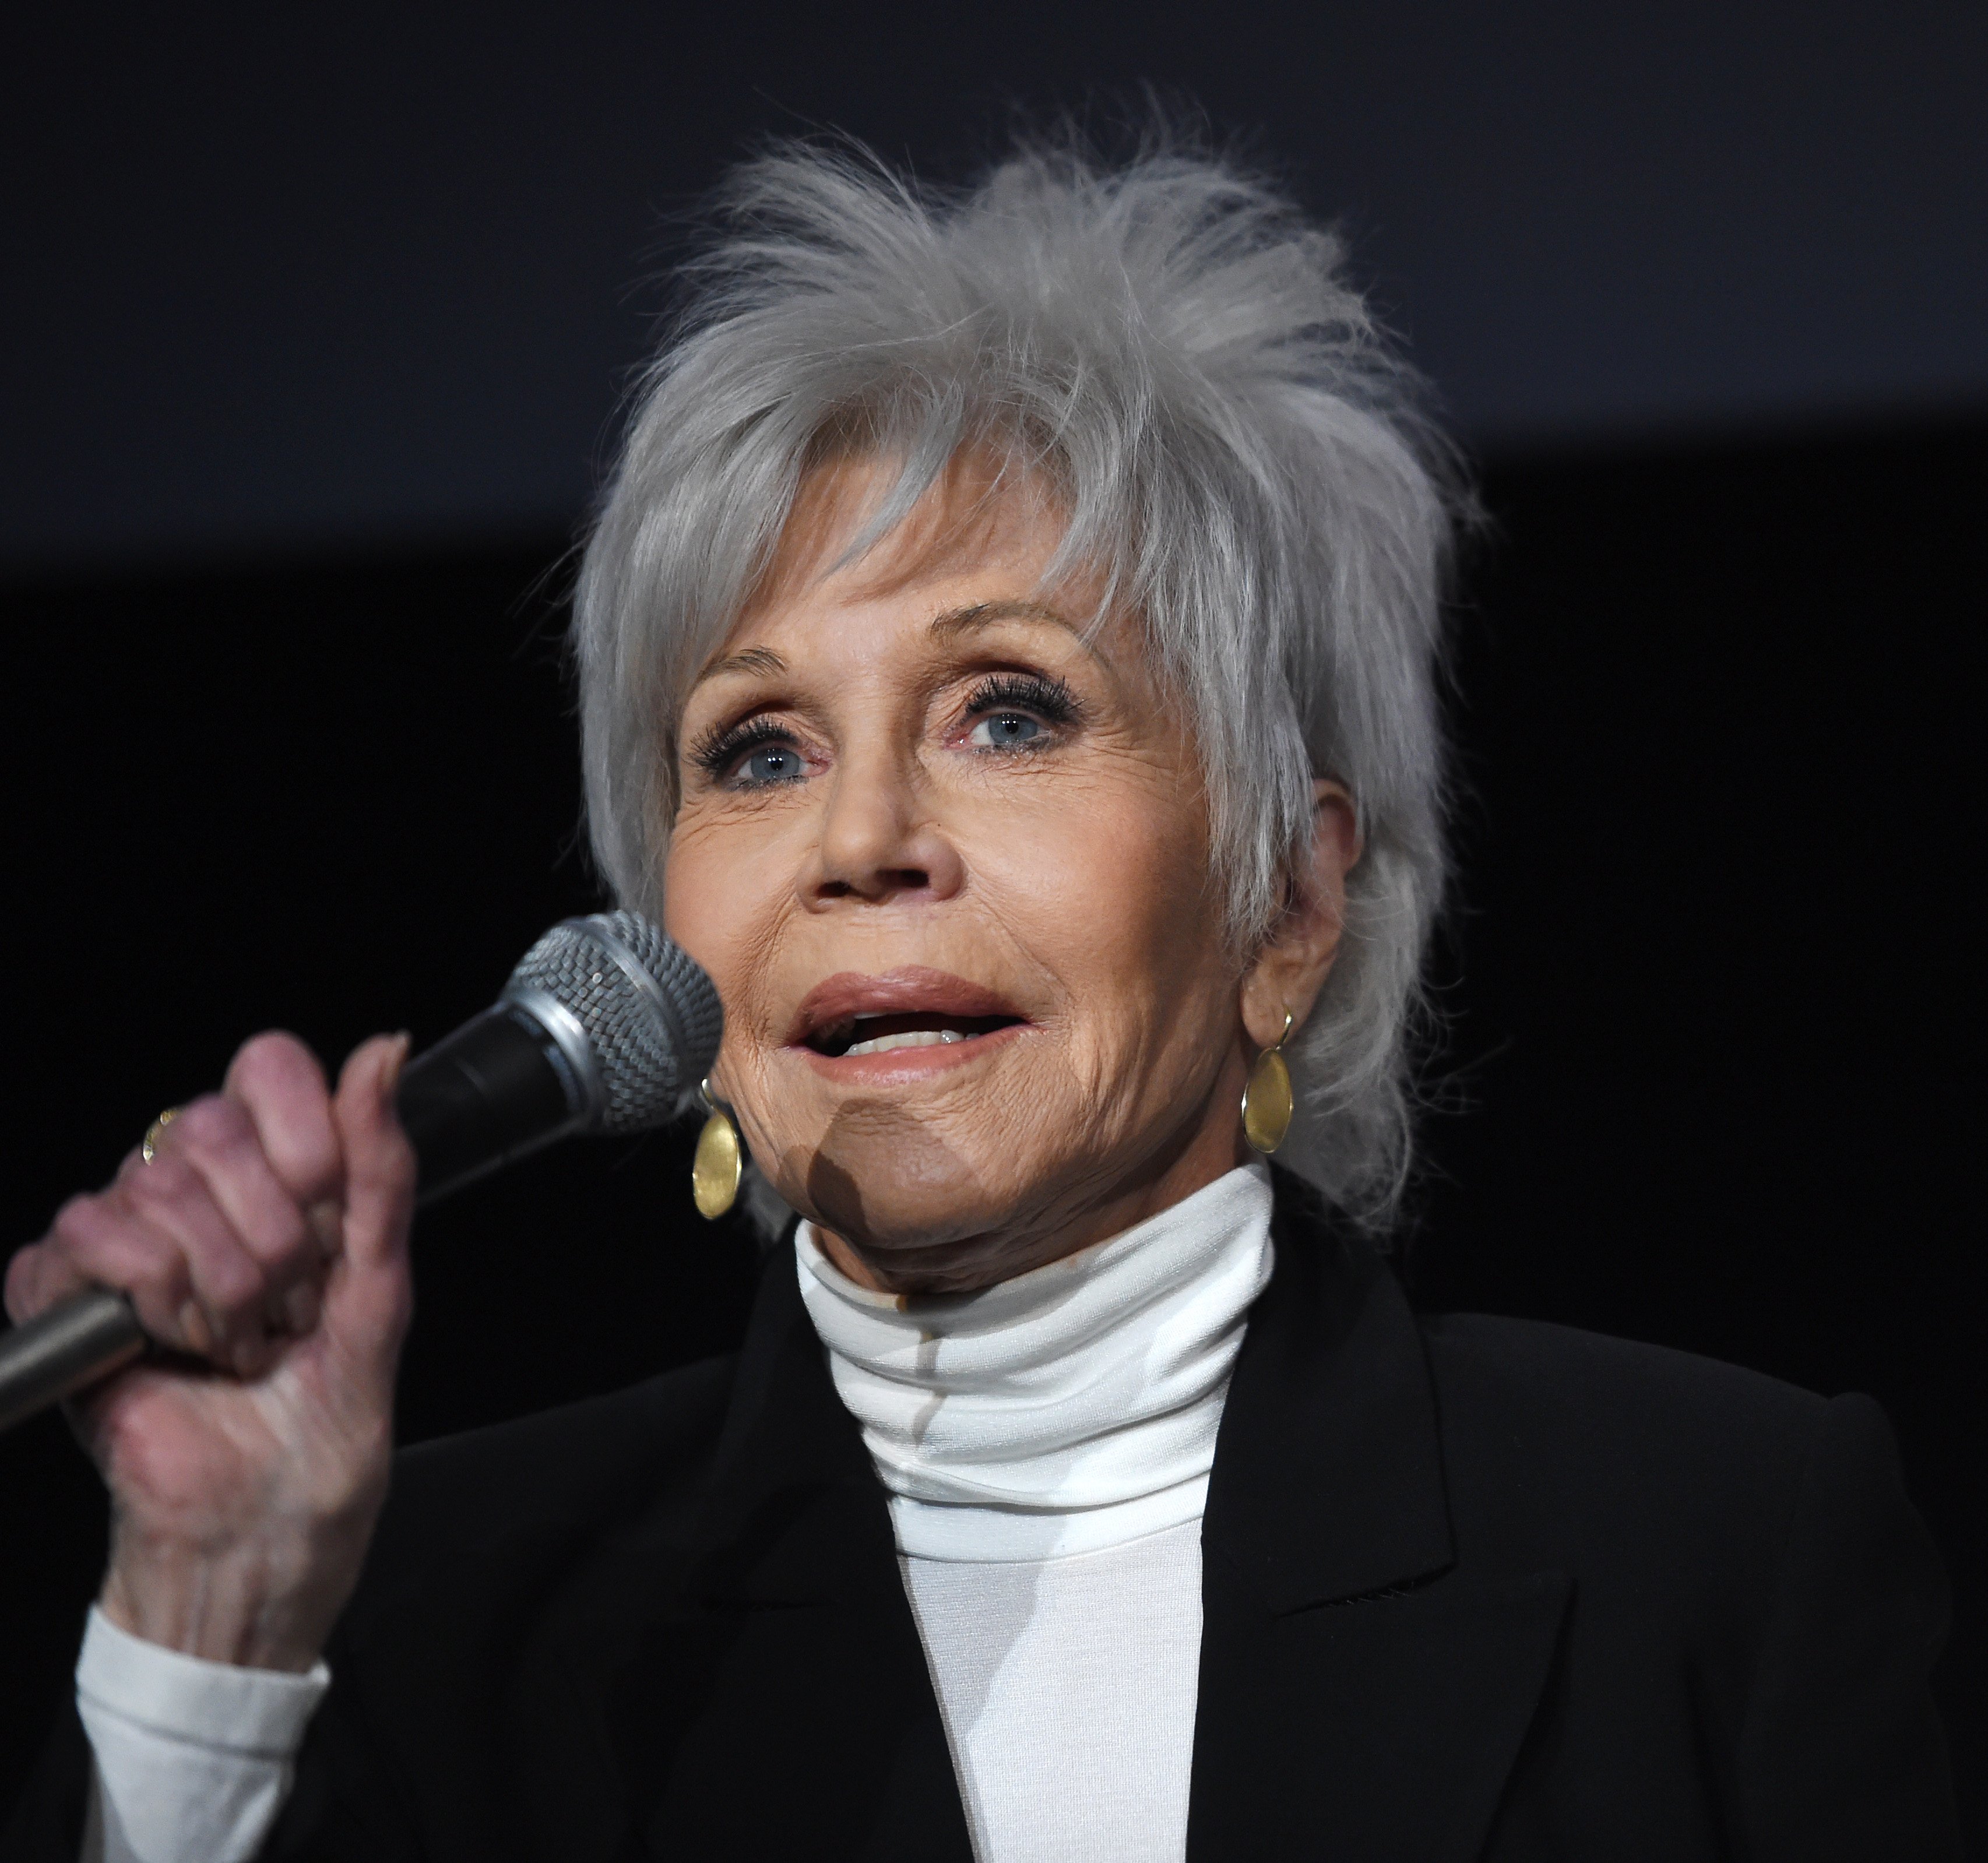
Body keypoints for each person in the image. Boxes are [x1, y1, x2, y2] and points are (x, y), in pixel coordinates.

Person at [1, 133, 1961, 1863]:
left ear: (1288, 904)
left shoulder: (1713, 1547)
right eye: (755, 748)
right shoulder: (421, 1618)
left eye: (1008, 711)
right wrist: (211, 1614)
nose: (860, 835)